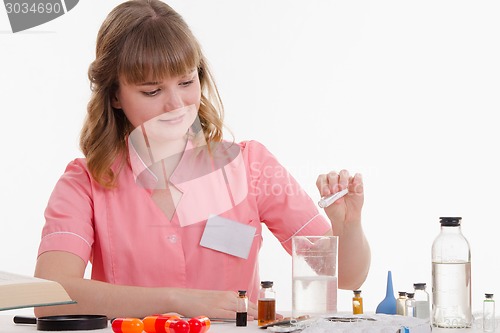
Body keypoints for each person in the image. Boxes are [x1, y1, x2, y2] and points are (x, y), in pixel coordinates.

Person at [34, 0, 371, 320]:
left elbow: (346, 277)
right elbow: (49, 295)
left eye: (186, 82)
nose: (176, 104)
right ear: (115, 96)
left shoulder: (251, 166)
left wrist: (348, 227)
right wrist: (175, 300)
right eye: (152, 91)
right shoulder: (85, 182)